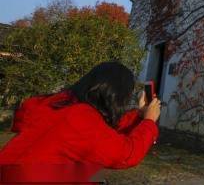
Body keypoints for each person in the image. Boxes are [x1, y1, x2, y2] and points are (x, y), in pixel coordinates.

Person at [0, 61, 161, 183]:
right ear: (115, 94)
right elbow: (126, 154)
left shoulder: (58, 105)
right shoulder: (80, 119)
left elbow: (101, 131)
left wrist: (140, 115)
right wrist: (149, 122)